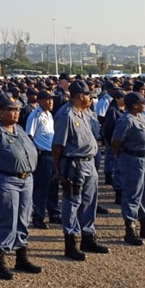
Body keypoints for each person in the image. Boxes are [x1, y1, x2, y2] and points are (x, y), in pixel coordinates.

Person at [0, 93, 41, 280]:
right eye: (11, 110)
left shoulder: (18, 129)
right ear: (0, 111)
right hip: (4, 180)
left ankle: (21, 256)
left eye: (17, 109)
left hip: (25, 179)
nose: (16, 113)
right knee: (6, 219)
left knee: (23, 217)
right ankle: (0, 261)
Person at [53, 80, 110, 261]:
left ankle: (88, 236)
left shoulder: (84, 113)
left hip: (89, 162)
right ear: (80, 96)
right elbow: (58, 146)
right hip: (74, 164)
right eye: (88, 96)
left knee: (89, 201)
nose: (91, 99)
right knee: (72, 203)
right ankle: (71, 242)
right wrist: (58, 170)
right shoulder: (66, 115)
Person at [111, 92, 145, 246]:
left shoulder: (141, 117)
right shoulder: (126, 120)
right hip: (133, 160)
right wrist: (123, 158)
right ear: (134, 104)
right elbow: (116, 142)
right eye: (142, 102)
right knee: (132, 194)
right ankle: (130, 228)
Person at [26, 89, 59, 229]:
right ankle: (38, 216)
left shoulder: (49, 115)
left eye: (51, 99)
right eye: (47, 99)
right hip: (43, 155)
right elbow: (29, 136)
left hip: (53, 154)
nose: (50, 102)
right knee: (41, 189)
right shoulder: (35, 116)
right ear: (39, 101)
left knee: (53, 187)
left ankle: (54, 214)